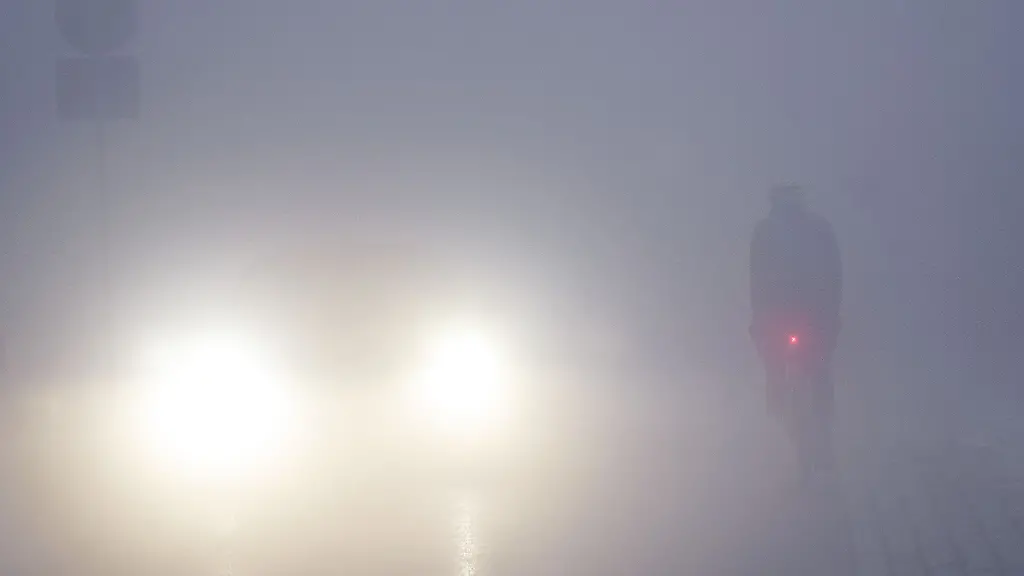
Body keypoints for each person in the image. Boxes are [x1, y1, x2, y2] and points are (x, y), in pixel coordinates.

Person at [749, 185, 842, 470]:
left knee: (773, 361)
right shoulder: (819, 229)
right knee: (819, 365)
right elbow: (835, 273)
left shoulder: (764, 232)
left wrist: (757, 316)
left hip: (777, 313)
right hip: (816, 312)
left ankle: (777, 396)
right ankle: (823, 415)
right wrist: (834, 313)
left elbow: (755, 278)